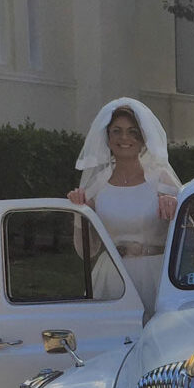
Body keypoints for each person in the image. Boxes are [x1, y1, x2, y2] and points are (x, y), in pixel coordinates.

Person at [67, 97, 181, 318]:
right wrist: (78, 211)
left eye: (132, 131)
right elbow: (86, 251)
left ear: (142, 138)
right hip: (112, 277)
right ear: (107, 138)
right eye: (116, 131)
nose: (124, 138)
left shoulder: (161, 180)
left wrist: (174, 207)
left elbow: (188, 233)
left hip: (155, 276)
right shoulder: (97, 185)